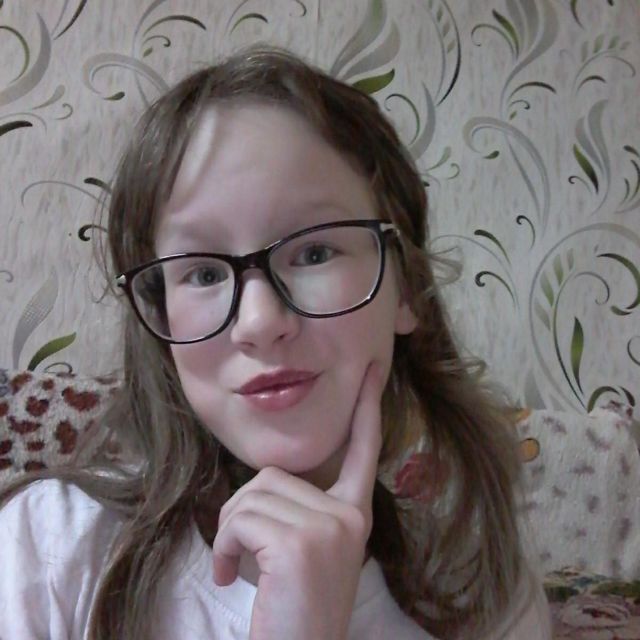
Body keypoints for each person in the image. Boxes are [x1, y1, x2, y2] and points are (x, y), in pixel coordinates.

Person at [0, 47, 552, 639]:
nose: (260, 321)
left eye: (314, 252)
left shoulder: (486, 597)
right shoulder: (51, 549)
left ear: (407, 289)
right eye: (203, 273)